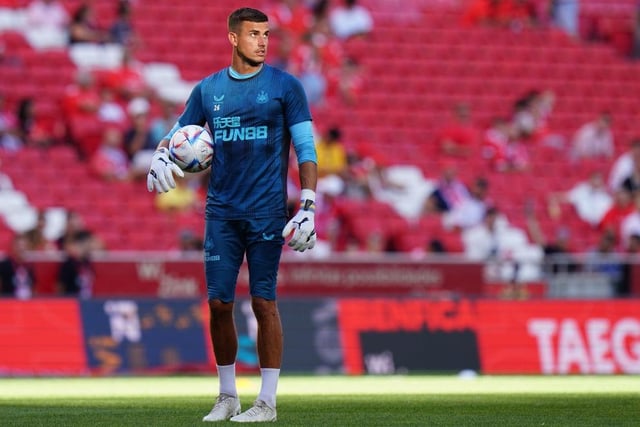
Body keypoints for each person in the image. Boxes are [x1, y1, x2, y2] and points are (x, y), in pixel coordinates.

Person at [145, 8, 318, 423]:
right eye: (254, 34)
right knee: (219, 304)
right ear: (233, 38)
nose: (263, 41)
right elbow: (178, 132)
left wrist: (309, 203)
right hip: (221, 212)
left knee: (263, 302)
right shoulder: (208, 90)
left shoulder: (285, 86)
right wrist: (159, 153)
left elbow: (305, 148)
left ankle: (268, 402)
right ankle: (227, 396)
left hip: (267, 211)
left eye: (266, 34)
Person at [57, 230, 95, 298]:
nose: (91, 246)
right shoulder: (69, 264)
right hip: (72, 302)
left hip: (87, 301)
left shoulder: (87, 263)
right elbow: (60, 286)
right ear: (82, 243)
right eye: (89, 242)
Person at [0, 233, 35, 299]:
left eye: (24, 246)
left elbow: (34, 286)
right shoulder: (4, 264)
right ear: (13, 247)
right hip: (8, 301)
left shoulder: (31, 265)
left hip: (28, 302)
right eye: (18, 245)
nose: (21, 248)